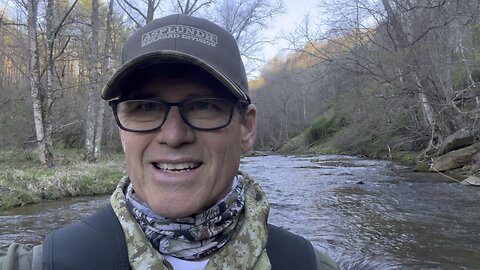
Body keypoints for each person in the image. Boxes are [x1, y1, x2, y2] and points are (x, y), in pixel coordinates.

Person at [0, 14, 338, 270]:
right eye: (145, 107)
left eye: (203, 106)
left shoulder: (309, 264)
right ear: (122, 130)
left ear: (246, 128)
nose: (174, 136)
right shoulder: (46, 262)